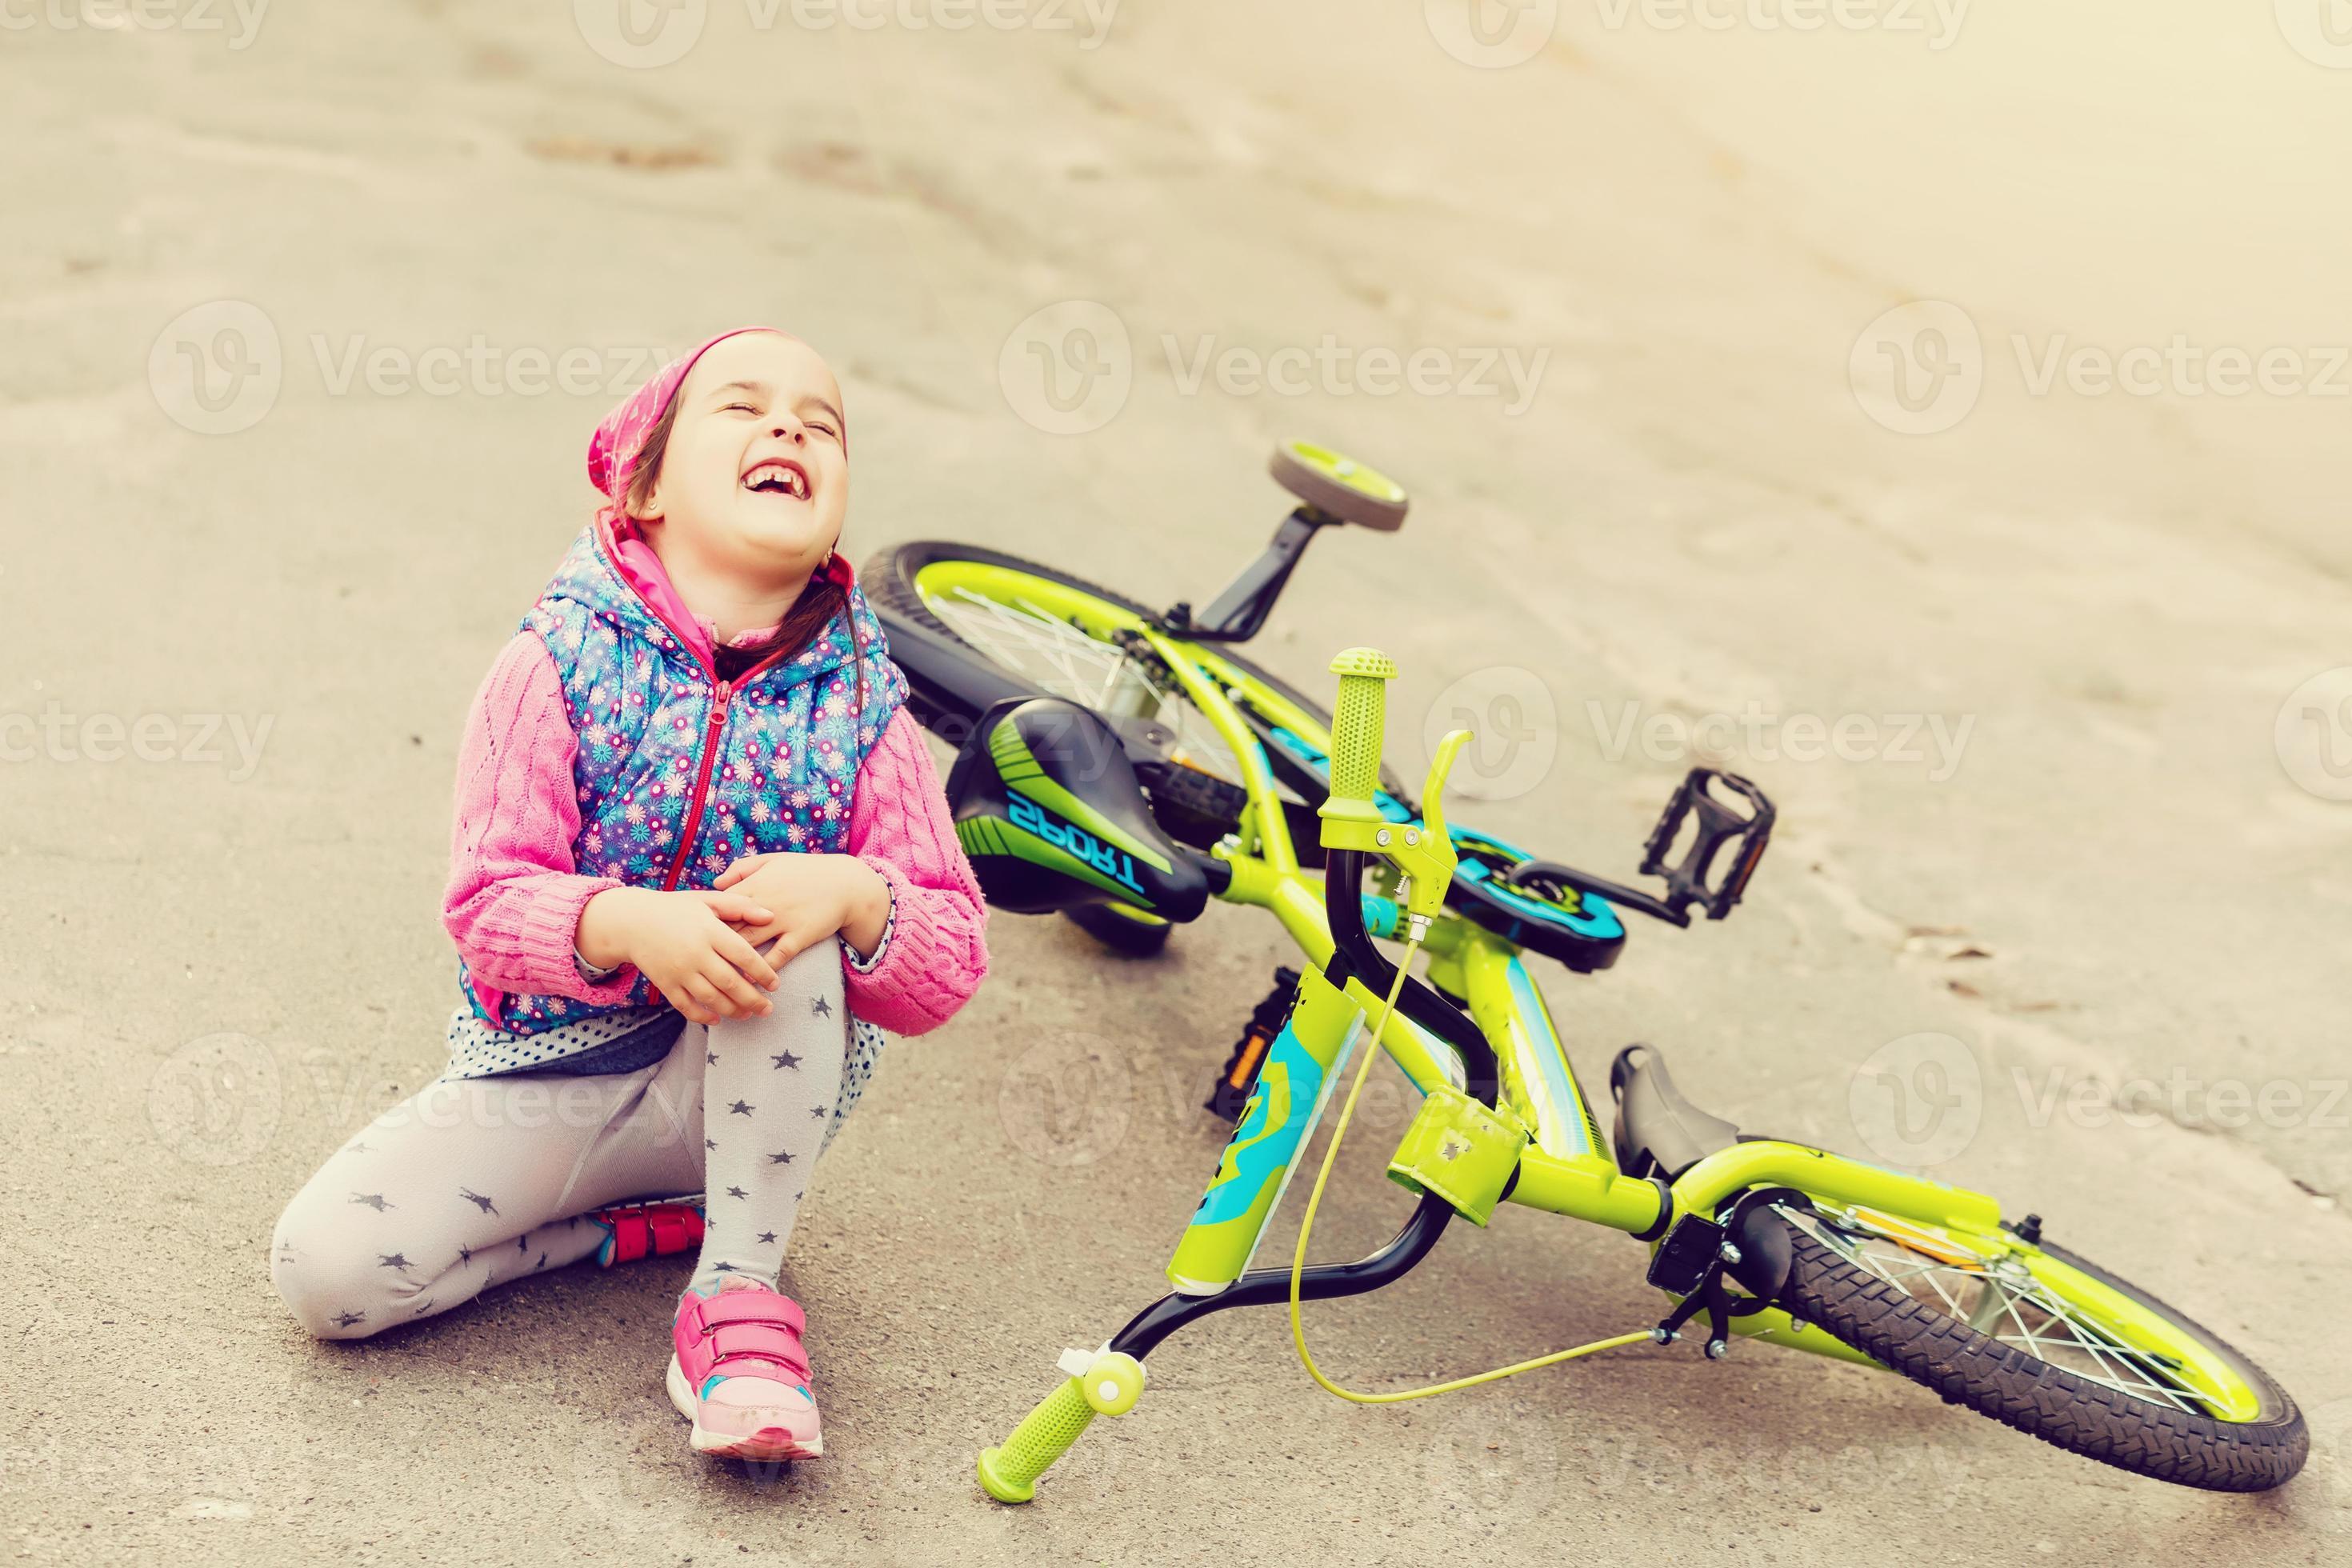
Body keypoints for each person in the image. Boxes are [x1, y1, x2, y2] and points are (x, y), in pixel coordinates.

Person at [270, 327, 988, 1464]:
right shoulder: (557, 662)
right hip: (560, 1080)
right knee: (330, 1277)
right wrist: (624, 923)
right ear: (643, 484)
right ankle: (628, 1232)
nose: (788, 427)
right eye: (741, 407)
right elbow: (486, 902)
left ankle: (737, 1299)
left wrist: (857, 895)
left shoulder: (864, 711)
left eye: (822, 420)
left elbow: (950, 950)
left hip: (747, 1100)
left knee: (792, 910)